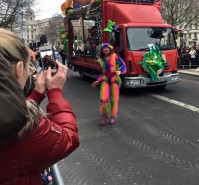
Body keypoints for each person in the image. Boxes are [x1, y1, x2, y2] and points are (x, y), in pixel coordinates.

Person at [0, 29, 79, 185]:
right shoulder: (23, 131)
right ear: (18, 69)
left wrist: (36, 95)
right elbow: (68, 138)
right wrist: (55, 93)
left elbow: (7, 111)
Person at [92, 43, 126, 126]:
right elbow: (101, 73)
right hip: (105, 80)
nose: (106, 49)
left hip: (114, 79)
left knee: (114, 99)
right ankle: (104, 116)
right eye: (104, 48)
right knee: (103, 99)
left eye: (107, 48)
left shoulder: (115, 57)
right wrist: (98, 80)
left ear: (110, 49)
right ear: (102, 50)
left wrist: (120, 71)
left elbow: (124, 66)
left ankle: (113, 116)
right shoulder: (100, 60)